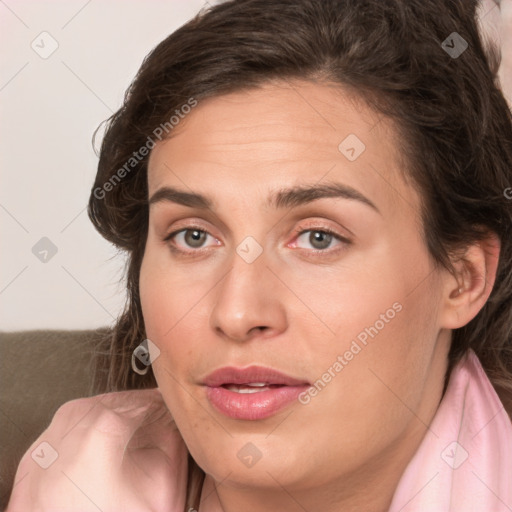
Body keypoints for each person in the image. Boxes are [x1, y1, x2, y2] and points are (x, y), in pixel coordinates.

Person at [6, 0, 512, 511]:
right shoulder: (70, 477)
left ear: (464, 278)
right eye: (194, 236)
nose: (238, 313)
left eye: (319, 238)